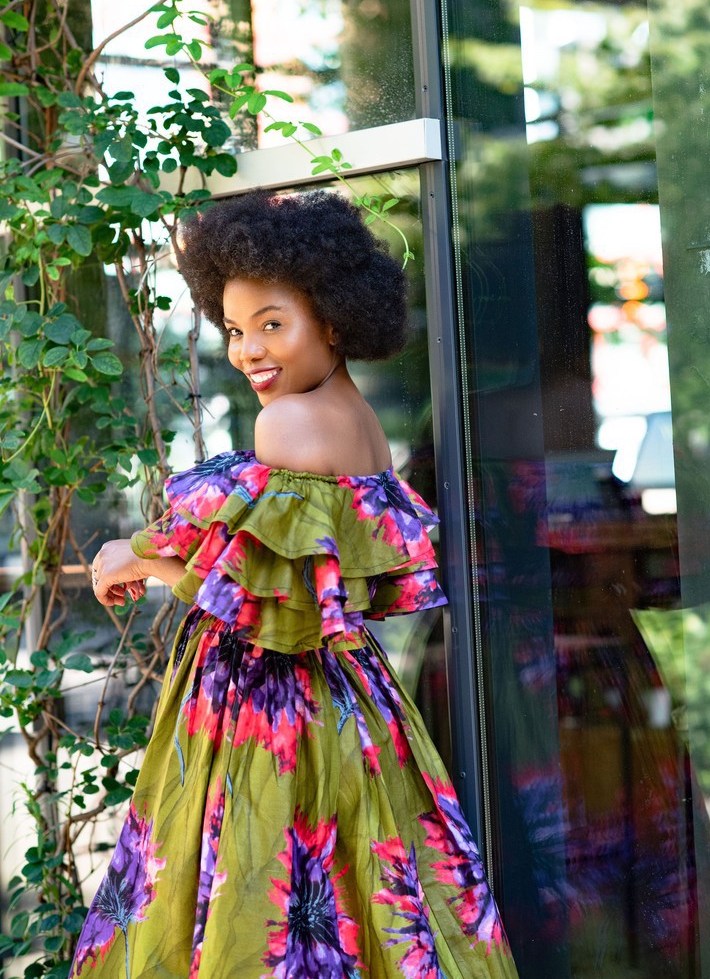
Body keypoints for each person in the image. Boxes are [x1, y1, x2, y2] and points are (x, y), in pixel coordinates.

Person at [72, 191, 519, 979]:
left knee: (253, 915)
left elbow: (262, 610)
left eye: (272, 324)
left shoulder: (287, 423)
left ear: (334, 321)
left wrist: (135, 560)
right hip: (352, 704)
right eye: (235, 330)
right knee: (363, 905)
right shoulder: (362, 424)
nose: (249, 351)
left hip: (265, 714)